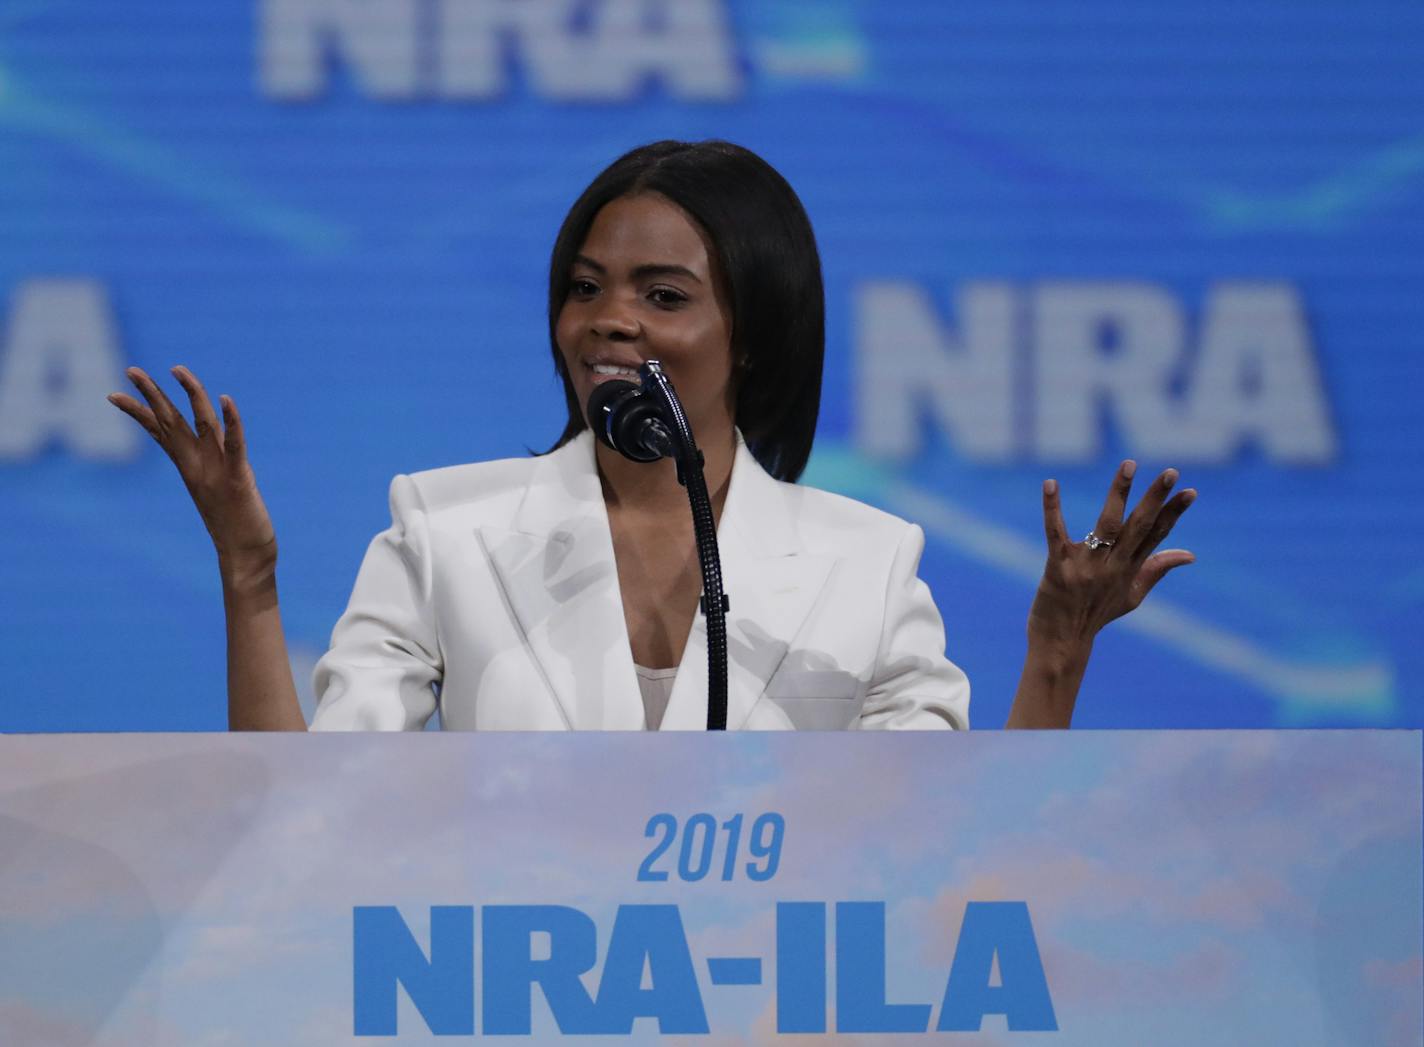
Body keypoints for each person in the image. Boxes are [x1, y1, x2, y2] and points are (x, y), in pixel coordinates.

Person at [108, 140, 1196, 732]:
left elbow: (948, 868)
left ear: (753, 334)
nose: (608, 320)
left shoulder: (868, 566)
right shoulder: (444, 531)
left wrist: (1056, 656)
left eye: (661, 294)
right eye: (585, 288)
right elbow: (304, 834)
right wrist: (250, 583)